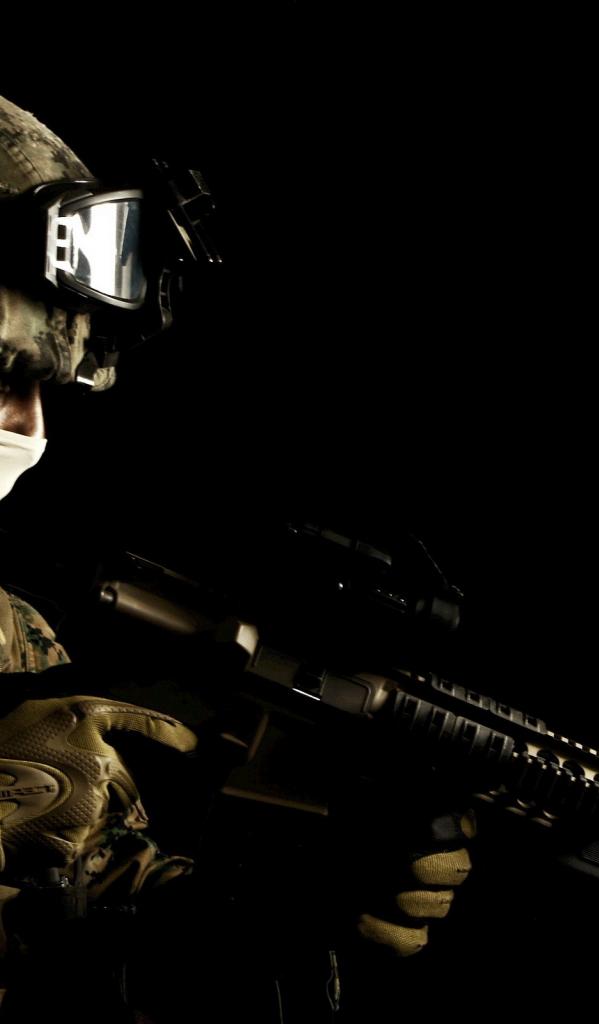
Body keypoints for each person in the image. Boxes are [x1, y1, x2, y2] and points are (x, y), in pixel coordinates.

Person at [0, 94, 474, 1022]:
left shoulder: (13, 643)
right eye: (1, 375)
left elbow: (87, 937)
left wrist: (258, 920)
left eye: (46, 388)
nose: (28, 426)